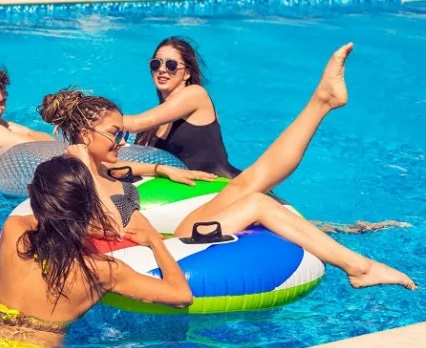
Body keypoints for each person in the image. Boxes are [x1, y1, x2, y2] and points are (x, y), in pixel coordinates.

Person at [41, 42, 416, 291]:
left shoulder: (104, 165)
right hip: (158, 256)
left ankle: (321, 102)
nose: (123, 141)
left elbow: (122, 175)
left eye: (121, 134)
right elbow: (107, 222)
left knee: (251, 186)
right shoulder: (74, 173)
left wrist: (160, 170)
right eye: (115, 133)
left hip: (171, 239)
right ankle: (358, 266)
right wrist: (85, 162)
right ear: (85, 136)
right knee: (256, 197)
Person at [0, 155, 193, 347]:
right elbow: (181, 296)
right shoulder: (102, 271)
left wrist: (82, 225)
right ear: (89, 207)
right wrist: (155, 241)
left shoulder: (14, 231)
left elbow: (45, 219)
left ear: (33, 196)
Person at [122, 36, 241, 178]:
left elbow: (135, 124)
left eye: (171, 65)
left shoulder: (196, 94)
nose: (162, 70)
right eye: (156, 64)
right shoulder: (155, 122)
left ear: (187, 73)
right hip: (187, 188)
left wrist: (99, 119)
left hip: (221, 184)